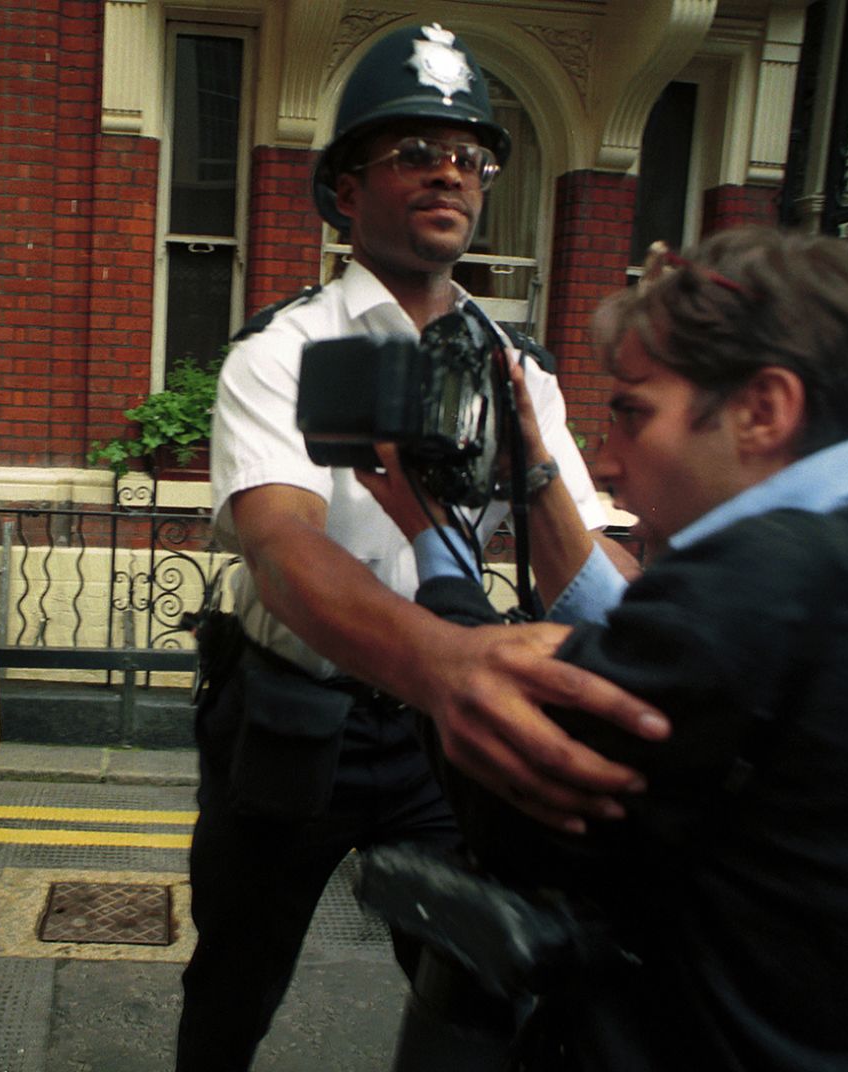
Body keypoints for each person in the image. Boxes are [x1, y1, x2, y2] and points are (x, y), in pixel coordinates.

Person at [359, 227, 848, 1070]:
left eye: (634, 410)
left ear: (762, 409)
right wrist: (533, 478)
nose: (607, 460)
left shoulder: (770, 573)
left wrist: (435, 549)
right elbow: (692, 657)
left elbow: (515, 799)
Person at [176, 22, 663, 1072]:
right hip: (297, 722)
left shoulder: (513, 366)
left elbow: (584, 550)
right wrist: (444, 661)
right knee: (234, 983)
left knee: (473, 981)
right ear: (345, 191)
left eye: (471, 156)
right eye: (413, 151)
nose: (450, 170)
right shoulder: (287, 348)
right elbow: (282, 548)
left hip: (443, 734)